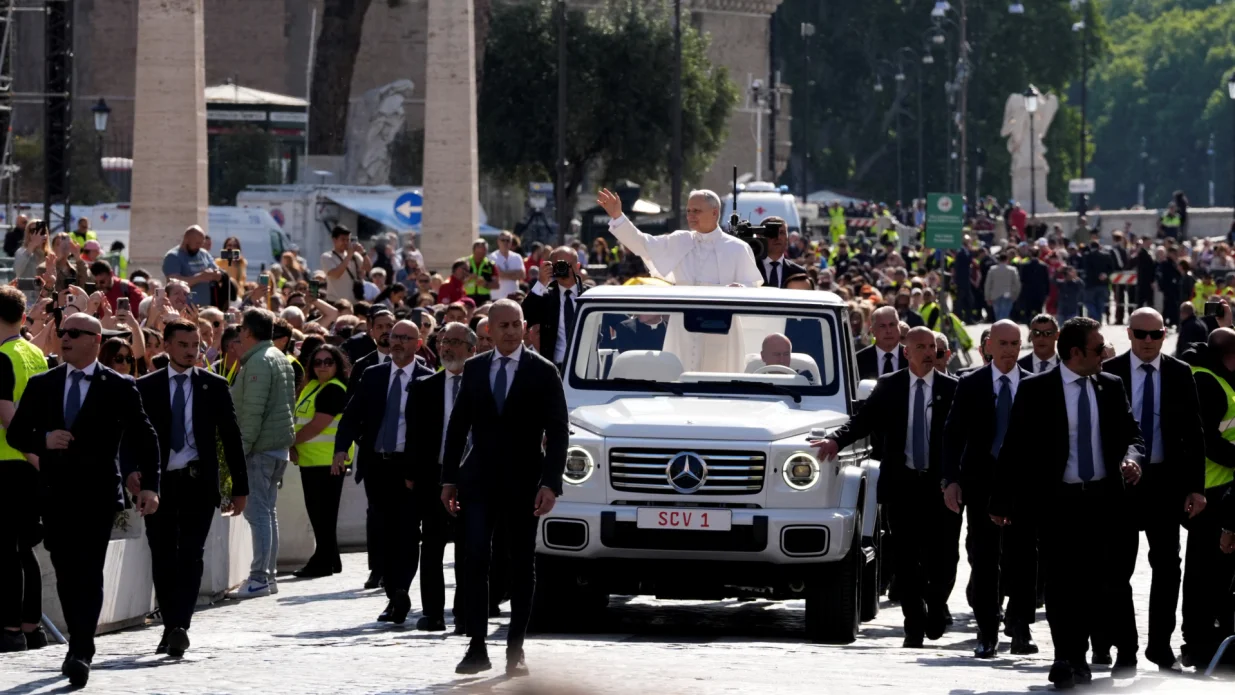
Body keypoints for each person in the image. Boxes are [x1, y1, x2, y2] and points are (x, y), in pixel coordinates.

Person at [990, 317, 1145, 689]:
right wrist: (1001, 499)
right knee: (1060, 583)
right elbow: (1013, 448)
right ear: (1076, 353)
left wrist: (1133, 459)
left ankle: (1089, 651)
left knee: (1095, 583)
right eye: (1097, 349)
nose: (1104, 355)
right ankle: (1067, 658)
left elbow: (1132, 434)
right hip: (1057, 501)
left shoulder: (1110, 385)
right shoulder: (1036, 389)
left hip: (1103, 500)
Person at [7, 313, 160, 688]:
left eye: (74, 333)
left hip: (97, 495)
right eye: (62, 333)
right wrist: (43, 439)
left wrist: (151, 485)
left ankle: (80, 648)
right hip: (55, 494)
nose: (65, 338)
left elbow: (145, 436)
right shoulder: (44, 383)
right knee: (64, 571)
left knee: (88, 571)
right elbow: (16, 434)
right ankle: (79, 640)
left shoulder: (119, 386)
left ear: (95, 339)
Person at [441, 300, 567, 675]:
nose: (511, 331)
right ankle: (476, 645)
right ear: (490, 330)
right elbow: (458, 426)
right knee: (475, 558)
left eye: (516, 325)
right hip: (478, 481)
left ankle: (516, 649)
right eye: (503, 326)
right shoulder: (475, 369)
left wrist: (551, 484)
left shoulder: (543, 371)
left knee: (520, 563)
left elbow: (558, 431)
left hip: (525, 482)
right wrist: (448, 479)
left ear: (525, 327)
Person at [814, 327, 960, 648]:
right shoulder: (890, 386)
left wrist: (957, 479)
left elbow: (965, 437)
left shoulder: (952, 389)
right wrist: (835, 441)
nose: (927, 352)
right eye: (920, 347)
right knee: (906, 558)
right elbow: (863, 421)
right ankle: (913, 623)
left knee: (945, 557)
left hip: (942, 488)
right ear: (906, 352)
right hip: (902, 486)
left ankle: (936, 604)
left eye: (932, 347)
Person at [132, 319, 247, 658]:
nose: (190, 351)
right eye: (182, 344)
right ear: (166, 346)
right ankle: (171, 626)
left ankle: (180, 625)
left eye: (195, 344)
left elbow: (231, 436)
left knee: (192, 554)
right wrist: (132, 473)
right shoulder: (146, 386)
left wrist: (240, 487)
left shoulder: (214, 385)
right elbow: (131, 436)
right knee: (164, 554)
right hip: (160, 484)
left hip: (199, 482)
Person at [1098, 308, 1205, 672]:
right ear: (1128, 334)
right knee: (1116, 571)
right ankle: (1124, 648)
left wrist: (1196, 488)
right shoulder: (1109, 374)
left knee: (1167, 568)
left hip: (1165, 484)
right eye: (1141, 334)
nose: (1147, 342)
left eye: (1155, 334)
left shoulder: (1179, 373)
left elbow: (1195, 433)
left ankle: (1160, 647)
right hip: (1122, 486)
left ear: (1164, 335)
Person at [942, 320, 1038, 658]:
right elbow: (953, 435)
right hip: (981, 484)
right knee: (984, 558)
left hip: (1023, 487)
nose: (1010, 350)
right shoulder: (970, 384)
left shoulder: (1034, 385)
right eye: (1003, 343)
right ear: (988, 347)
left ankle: (1021, 627)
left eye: (1015, 344)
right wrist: (951, 480)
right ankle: (987, 629)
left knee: (1024, 558)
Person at [335, 320, 433, 624]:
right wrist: (341, 449)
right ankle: (395, 594)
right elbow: (353, 414)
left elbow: (430, 433)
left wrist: (418, 468)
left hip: (409, 468)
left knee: (406, 532)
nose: (398, 343)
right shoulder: (373, 375)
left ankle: (400, 588)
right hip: (377, 464)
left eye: (405, 338)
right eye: (394, 338)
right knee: (382, 532)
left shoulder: (428, 379)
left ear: (418, 344)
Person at [227, 308, 297, 600]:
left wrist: (240, 452)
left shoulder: (259, 362)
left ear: (247, 332)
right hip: (275, 448)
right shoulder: (279, 358)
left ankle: (259, 577)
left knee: (259, 515)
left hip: (260, 449)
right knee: (268, 513)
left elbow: (252, 413)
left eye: (241, 329)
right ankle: (268, 576)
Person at [411, 321, 476, 632]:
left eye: (455, 342)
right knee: (433, 546)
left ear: (472, 349)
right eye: (444, 342)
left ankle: (464, 613)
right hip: (434, 478)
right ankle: (433, 613)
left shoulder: (483, 385)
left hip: (473, 477)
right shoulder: (425, 388)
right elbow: (414, 438)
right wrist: (413, 475)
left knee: (468, 548)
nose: (448, 347)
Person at [1179, 328, 1235, 668]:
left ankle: (1217, 641)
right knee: (1203, 573)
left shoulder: (1220, 375)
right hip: (1210, 492)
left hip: (1225, 489)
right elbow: (1209, 440)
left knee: (1221, 574)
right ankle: (1199, 645)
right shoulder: (1206, 381)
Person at [0, 286, 48, 654]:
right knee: (24, 549)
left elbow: (6, 415)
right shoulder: (35, 353)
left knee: (7, 551)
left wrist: (31, 454)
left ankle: (11, 628)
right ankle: (32, 628)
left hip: (7, 462)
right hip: (31, 465)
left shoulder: (2, 357)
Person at [598, 188, 761, 287]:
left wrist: (739, 288)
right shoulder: (680, 241)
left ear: (714, 212)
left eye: (696, 211)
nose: (690, 216)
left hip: (725, 329)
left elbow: (751, 287)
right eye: (688, 211)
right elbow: (642, 244)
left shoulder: (738, 248)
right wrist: (618, 217)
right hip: (683, 325)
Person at [291, 344, 351, 578]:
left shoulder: (333, 390)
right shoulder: (314, 387)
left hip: (327, 462)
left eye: (328, 362)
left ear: (337, 365)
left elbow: (317, 425)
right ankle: (331, 559)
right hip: (313, 461)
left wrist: (290, 442)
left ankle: (322, 562)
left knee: (322, 515)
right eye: (318, 362)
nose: (323, 366)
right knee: (322, 515)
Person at [523, 246, 586, 371]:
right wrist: (541, 283)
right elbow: (525, 316)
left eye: (569, 265)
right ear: (551, 268)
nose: (565, 269)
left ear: (578, 267)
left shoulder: (590, 295)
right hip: (554, 367)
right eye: (559, 265)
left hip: (586, 367)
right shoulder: (545, 296)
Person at [163, 225, 223, 307]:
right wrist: (199, 277)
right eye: (197, 243)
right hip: (185, 308)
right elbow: (173, 283)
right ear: (186, 239)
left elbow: (218, 273)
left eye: (201, 243)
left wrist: (215, 274)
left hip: (206, 307)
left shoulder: (204, 253)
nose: (199, 246)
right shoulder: (173, 256)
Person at [320, 225, 371, 303]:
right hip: (336, 302)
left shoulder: (355, 256)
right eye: (343, 240)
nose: (346, 243)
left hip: (354, 302)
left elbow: (368, 268)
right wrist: (349, 255)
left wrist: (363, 253)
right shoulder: (327, 257)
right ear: (334, 240)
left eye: (348, 240)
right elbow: (336, 275)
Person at [855, 306, 905, 379]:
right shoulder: (858, 360)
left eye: (892, 325)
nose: (888, 331)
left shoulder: (913, 357)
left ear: (899, 328)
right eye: (882, 326)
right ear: (872, 331)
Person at [755, 216, 806, 288]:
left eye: (782, 232)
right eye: (772, 232)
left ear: (787, 237)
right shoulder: (750, 268)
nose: (778, 237)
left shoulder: (798, 272)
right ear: (759, 236)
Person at [984, 254, 1021, 321]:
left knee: (998, 314)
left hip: (995, 295)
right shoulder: (1012, 270)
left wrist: (987, 297)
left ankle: (999, 327)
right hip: (1008, 294)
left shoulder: (992, 269)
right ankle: (1002, 328)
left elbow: (988, 284)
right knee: (1005, 314)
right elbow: (1017, 284)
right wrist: (1015, 295)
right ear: (1007, 260)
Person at [489, 231, 526, 300]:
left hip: (514, 297)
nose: (505, 242)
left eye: (508, 240)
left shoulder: (517, 257)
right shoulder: (492, 257)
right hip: (497, 297)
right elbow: (499, 274)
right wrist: (515, 273)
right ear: (498, 241)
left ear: (511, 242)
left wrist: (504, 273)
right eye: (503, 240)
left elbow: (522, 275)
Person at [463, 239, 499, 304]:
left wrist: (485, 284)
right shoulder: (464, 263)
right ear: (474, 250)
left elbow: (496, 285)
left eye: (484, 250)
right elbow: (456, 280)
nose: (482, 253)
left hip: (484, 298)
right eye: (479, 251)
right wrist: (469, 278)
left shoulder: (490, 265)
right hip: (466, 296)